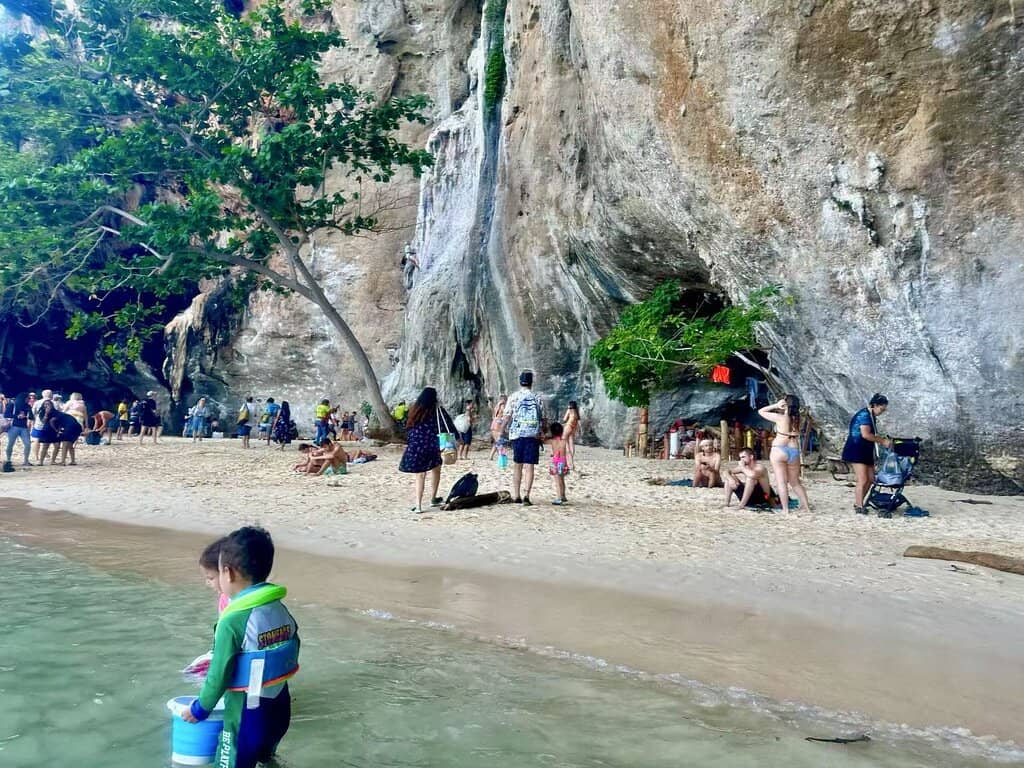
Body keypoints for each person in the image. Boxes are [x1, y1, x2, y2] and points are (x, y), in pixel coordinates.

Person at [183, 527, 299, 768]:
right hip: (279, 710)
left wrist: (200, 708)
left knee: (229, 761)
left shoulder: (232, 620)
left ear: (228, 572)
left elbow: (218, 673)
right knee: (265, 759)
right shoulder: (279, 608)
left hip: (247, 714)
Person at [398, 387, 456, 513]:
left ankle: (418, 506)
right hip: (432, 445)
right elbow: (448, 424)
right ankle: (433, 498)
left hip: (416, 445)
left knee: (420, 475)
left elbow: (407, 426)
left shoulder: (415, 410)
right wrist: (457, 437)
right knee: (436, 470)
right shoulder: (437, 410)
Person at [758, 395, 812, 512]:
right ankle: (806, 507)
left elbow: (761, 411)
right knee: (795, 482)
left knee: (781, 482)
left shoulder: (780, 418)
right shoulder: (800, 420)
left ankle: (786, 509)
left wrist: (776, 405)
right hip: (793, 450)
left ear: (786, 404)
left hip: (779, 448)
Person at [841, 393, 892, 514]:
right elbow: (865, 434)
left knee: (870, 478)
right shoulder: (864, 415)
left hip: (865, 449)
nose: (882, 412)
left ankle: (859, 502)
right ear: (875, 405)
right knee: (862, 479)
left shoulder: (871, 415)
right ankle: (859, 506)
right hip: (856, 448)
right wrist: (882, 440)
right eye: (881, 409)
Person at [502, 371, 544, 506]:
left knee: (517, 465)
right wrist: (543, 432)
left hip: (517, 434)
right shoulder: (537, 397)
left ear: (520, 382)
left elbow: (507, 416)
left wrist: (502, 431)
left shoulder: (514, 397)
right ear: (532, 382)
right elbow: (543, 418)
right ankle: (527, 495)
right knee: (530, 466)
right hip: (532, 434)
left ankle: (517, 495)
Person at [199, 536, 231, 614]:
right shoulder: (224, 598)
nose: (207, 583)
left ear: (227, 573)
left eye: (211, 578)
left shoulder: (228, 601)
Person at [3, 392, 32, 469]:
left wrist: (27, 415)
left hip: (24, 427)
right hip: (14, 426)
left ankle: (26, 460)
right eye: (27, 398)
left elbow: (31, 416)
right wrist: (17, 416)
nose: (29, 400)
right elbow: (6, 414)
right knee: (10, 444)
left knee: (28, 444)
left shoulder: (27, 406)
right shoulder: (13, 405)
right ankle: (8, 459)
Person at [546, 422, 570, 505]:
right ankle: (563, 495)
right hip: (563, 461)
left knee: (557, 480)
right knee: (562, 479)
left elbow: (543, 439)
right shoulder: (564, 441)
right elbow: (568, 452)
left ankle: (559, 497)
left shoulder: (552, 441)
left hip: (555, 462)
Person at [488, 394, 508, 461]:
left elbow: (493, 415)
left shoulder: (496, 406)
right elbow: (505, 414)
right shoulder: (502, 406)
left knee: (497, 441)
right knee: (499, 441)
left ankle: (491, 456)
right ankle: (501, 456)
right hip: (498, 424)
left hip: (494, 423)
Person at [562, 401, 580, 469]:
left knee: (565, 444)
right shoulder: (576, 412)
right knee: (571, 444)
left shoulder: (569, 410)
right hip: (573, 428)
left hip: (568, 426)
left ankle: (568, 463)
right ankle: (571, 462)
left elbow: (564, 419)